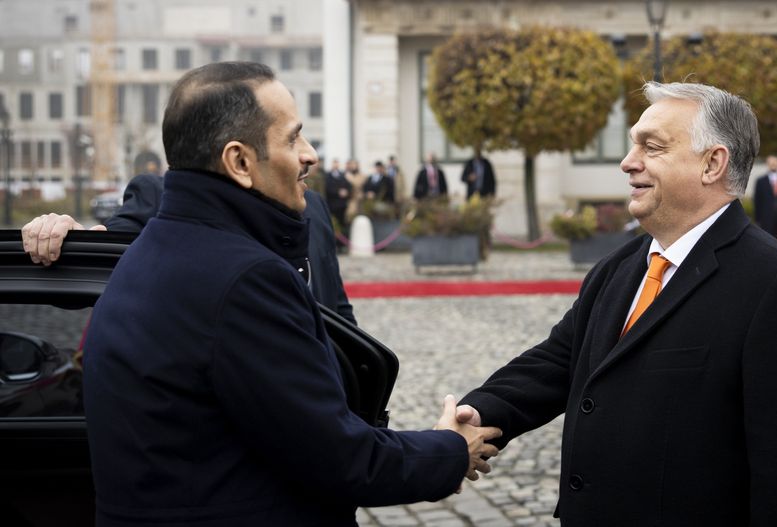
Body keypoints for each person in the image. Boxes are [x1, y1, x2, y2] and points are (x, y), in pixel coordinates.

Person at [79, 62, 501, 526]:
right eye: (292, 138)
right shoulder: (244, 279)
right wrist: (450, 451)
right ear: (239, 162)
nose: (311, 155)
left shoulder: (154, 250)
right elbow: (341, 458)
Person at [456, 82, 777, 526]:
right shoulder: (620, 266)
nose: (629, 162)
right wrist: (481, 409)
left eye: (652, 146)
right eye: (632, 145)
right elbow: (559, 360)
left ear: (712, 163)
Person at [22, 171, 357, 325]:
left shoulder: (313, 205)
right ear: (240, 154)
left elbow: (338, 310)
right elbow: (93, 267)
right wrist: (66, 238)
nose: (309, 153)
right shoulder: (161, 197)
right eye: (290, 137)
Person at [752, 154, 777, 242]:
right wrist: (758, 219)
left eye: (775, 162)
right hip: (766, 219)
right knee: (767, 243)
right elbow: (757, 201)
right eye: (771, 162)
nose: (773, 164)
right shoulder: (760, 181)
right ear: (767, 164)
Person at [324, 157, 353, 240]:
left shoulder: (342, 175)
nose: (335, 165)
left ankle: (341, 243)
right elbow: (327, 188)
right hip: (332, 204)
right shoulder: (328, 176)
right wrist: (338, 192)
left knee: (342, 223)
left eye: (337, 163)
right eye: (334, 163)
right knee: (333, 223)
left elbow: (349, 186)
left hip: (342, 205)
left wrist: (346, 192)